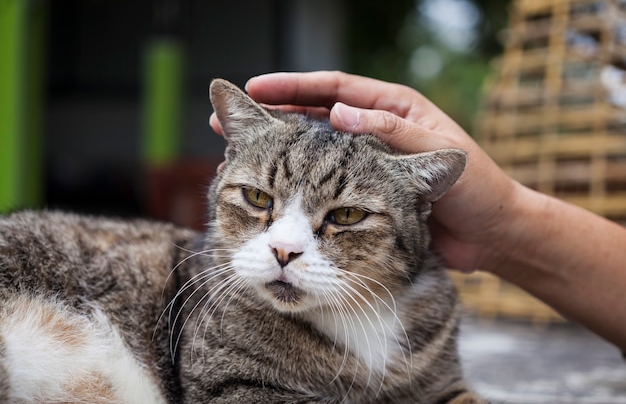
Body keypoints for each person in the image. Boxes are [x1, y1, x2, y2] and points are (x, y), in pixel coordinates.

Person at [210, 70, 626, 353]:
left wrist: (505, 220)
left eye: (347, 215)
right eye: (258, 199)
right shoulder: (213, 309)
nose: (285, 247)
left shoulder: (431, 323)